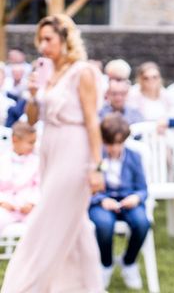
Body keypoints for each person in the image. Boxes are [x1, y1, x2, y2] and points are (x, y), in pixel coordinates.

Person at [1, 14, 104, 292]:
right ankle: (84, 287)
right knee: (76, 226)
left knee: (46, 218)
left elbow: (92, 120)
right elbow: (32, 119)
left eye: (49, 39)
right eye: (40, 40)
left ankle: (25, 284)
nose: (43, 45)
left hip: (75, 149)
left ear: (64, 39)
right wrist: (33, 93)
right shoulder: (47, 73)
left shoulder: (82, 72)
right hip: (50, 149)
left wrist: (97, 166)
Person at [89, 113, 150, 290]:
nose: (114, 148)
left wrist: (136, 197)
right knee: (104, 224)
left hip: (128, 199)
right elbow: (89, 188)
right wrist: (102, 199)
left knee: (142, 223)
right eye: (109, 144)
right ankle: (105, 263)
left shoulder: (134, 157)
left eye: (118, 143)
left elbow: (142, 188)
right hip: (102, 200)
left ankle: (128, 261)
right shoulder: (97, 157)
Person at [0, 122, 39, 232]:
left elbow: (39, 186)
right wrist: (2, 202)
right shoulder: (2, 159)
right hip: (5, 207)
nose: (33, 146)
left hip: (27, 208)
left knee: (39, 225)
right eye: (30, 142)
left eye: (34, 142)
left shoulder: (37, 162)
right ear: (15, 140)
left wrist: (31, 203)